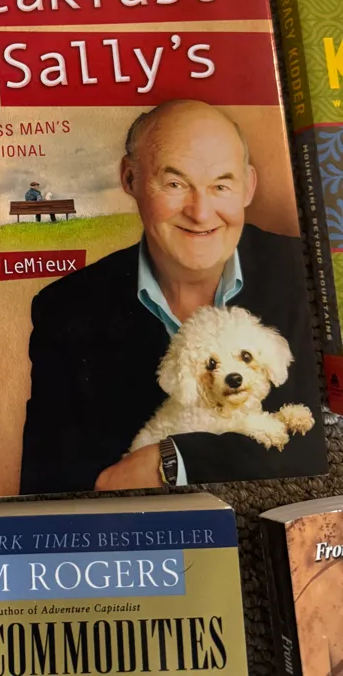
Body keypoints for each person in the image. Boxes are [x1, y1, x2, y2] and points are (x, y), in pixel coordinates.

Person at [19, 100, 326, 495]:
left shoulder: (309, 270)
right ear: (130, 179)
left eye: (221, 185)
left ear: (248, 186)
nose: (200, 213)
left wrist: (173, 460)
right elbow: (49, 486)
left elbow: (317, 450)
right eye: (175, 184)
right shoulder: (65, 308)